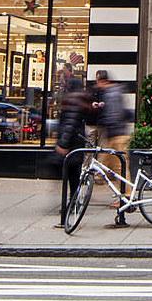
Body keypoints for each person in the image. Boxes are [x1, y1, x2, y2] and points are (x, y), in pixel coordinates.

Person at [53, 75, 92, 226]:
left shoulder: (72, 100)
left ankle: (68, 209)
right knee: (74, 177)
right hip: (77, 145)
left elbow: (69, 124)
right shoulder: (81, 99)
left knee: (70, 176)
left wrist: (63, 144)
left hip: (71, 146)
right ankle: (73, 203)